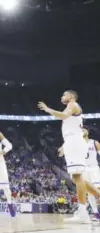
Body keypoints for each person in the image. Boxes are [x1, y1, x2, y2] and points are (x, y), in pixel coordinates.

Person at [39, 90, 100, 223]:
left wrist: (48, 109)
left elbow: (63, 116)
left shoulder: (72, 104)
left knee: (77, 176)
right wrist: (65, 146)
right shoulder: (71, 107)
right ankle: (97, 197)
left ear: (71, 96)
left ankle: (83, 212)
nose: (62, 97)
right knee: (76, 177)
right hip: (72, 141)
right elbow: (70, 128)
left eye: (64, 94)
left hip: (75, 142)